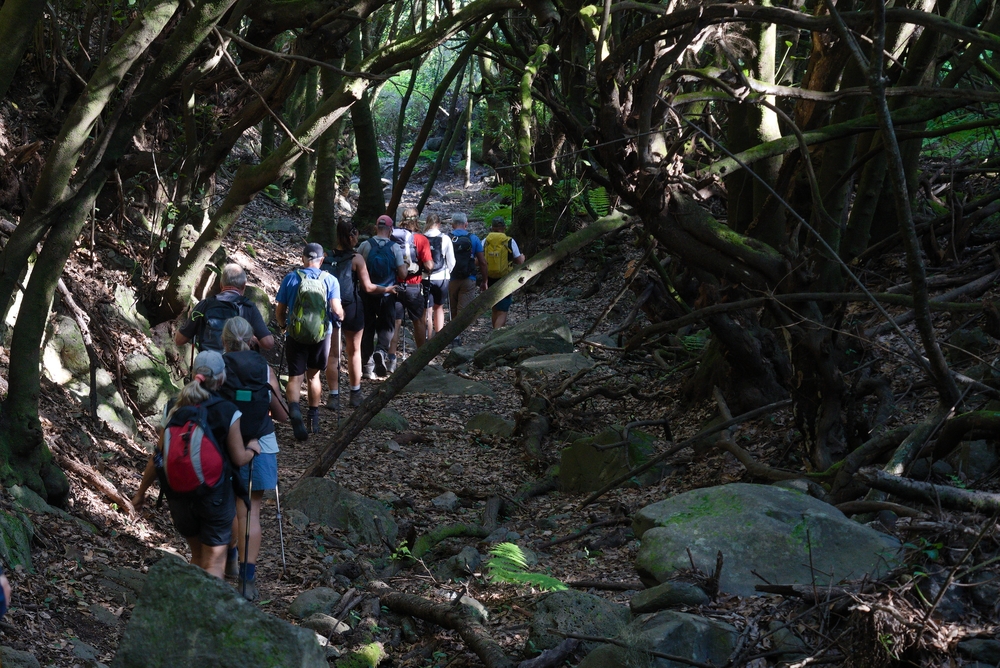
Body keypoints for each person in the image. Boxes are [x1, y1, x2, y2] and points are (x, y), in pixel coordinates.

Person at [132, 350, 260, 579]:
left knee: (198, 557)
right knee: (213, 564)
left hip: (178, 495)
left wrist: (140, 493)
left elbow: (157, 456)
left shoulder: (174, 406)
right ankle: (208, 613)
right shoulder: (227, 410)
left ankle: (191, 609)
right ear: (221, 378)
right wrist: (252, 449)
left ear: (193, 374)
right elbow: (239, 458)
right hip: (214, 496)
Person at [219, 317, 288, 601]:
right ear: (252, 340)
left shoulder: (217, 366)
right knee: (251, 511)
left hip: (223, 442)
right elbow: (283, 413)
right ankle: (248, 580)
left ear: (224, 341)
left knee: (229, 506)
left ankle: (231, 557)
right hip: (261, 441)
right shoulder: (265, 369)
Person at [275, 243, 343, 440]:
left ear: (303, 258)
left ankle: (295, 411)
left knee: (295, 377)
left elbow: (280, 311)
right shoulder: (330, 280)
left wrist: (283, 327)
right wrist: (340, 317)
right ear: (322, 260)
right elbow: (337, 311)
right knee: (313, 376)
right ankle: (313, 415)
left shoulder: (291, 278)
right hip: (321, 336)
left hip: (295, 334)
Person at [322, 221, 384, 409]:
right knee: (354, 351)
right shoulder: (356, 259)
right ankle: (355, 393)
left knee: (333, 355)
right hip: (352, 309)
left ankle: (333, 396)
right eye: (356, 235)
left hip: (331, 308)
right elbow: (368, 287)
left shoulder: (326, 257)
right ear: (351, 236)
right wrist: (387, 288)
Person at [175, 263, 274, 352]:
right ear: (244, 286)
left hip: (209, 366)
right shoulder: (248, 307)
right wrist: (251, 338)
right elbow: (268, 343)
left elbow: (179, 340)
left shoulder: (205, 305)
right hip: (235, 368)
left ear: (221, 284)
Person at [358, 215, 406, 379]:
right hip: (388, 292)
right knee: (387, 326)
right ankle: (381, 350)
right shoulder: (395, 247)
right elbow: (402, 273)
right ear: (391, 229)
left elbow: (358, 267)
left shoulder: (365, 245)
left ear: (376, 227)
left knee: (368, 328)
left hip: (368, 292)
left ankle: (367, 366)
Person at [388, 208, 433, 370]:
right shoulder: (421, 239)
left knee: (396, 322)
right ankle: (421, 359)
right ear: (417, 220)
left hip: (395, 286)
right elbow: (429, 265)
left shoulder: (393, 237)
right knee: (419, 321)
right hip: (413, 286)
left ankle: (391, 359)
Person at [448, 212, 488, 345]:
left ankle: (452, 335)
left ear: (452, 224)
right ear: (466, 224)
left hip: (451, 278)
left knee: (453, 307)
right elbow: (482, 262)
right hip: (469, 278)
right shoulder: (474, 239)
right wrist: (485, 280)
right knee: (463, 308)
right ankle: (457, 336)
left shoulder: (448, 238)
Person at [484, 217, 526, 329]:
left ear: (492, 228)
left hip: (489, 277)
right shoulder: (510, 241)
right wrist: (523, 257)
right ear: (504, 228)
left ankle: (494, 333)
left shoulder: (485, 241)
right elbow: (519, 261)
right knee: (503, 311)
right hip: (505, 278)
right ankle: (496, 336)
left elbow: (479, 261)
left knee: (495, 308)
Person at [422, 213, 455, 339]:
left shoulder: (422, 237)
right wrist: (448, 273)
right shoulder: (445, 238)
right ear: (439, 224)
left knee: (428, 309)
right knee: (439, 307)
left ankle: (428, 338)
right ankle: (439, 338)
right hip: (442, 277)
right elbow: (451, 260)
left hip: (425, 277)